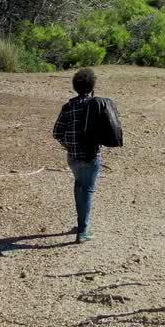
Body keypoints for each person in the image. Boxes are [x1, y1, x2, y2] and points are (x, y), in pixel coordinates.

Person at [52, 68, 106, 244]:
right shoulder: (97, 105)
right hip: (92, 157)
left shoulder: (68, 107)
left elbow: (57, 132)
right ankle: (83, 230)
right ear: (92, 86)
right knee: (87, 191)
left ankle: (80, 224)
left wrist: (69, 145)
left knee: (79, 187)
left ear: (75, 86)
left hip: (73, 157)